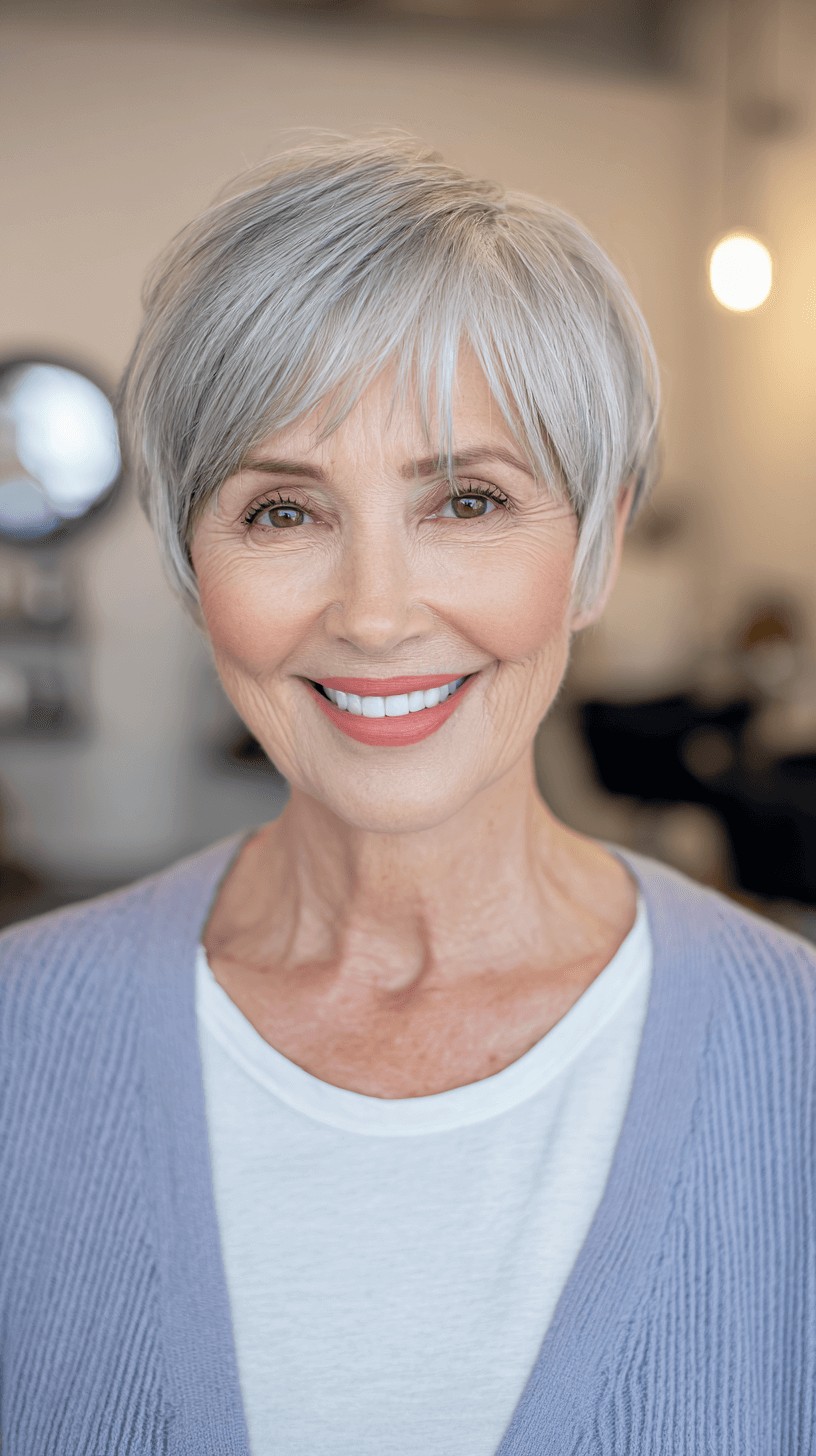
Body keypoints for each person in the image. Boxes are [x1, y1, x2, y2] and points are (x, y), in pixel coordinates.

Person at [1, 132, 814, 1456]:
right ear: (187, 562)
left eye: (468, 500)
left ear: (595, 547)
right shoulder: (21, 1047)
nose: (376, 616)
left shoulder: (794, 1070)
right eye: (281, 513)